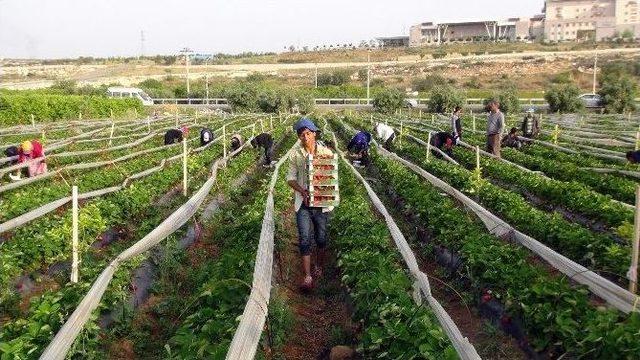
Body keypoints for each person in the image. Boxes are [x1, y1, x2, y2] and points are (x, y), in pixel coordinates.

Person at [286, 117, 335, 290]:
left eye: (307, 133)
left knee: (321, 238)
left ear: (314, 133)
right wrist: (302, 190)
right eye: (301, 134)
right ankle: (307, 276)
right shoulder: (295, 154)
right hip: (304, 204)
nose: (305, 137)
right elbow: (290, 179)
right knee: (305, 238)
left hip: (321, 203)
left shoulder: (326, 153)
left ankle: (319, 266)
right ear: (299, 137)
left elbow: (331, 176)